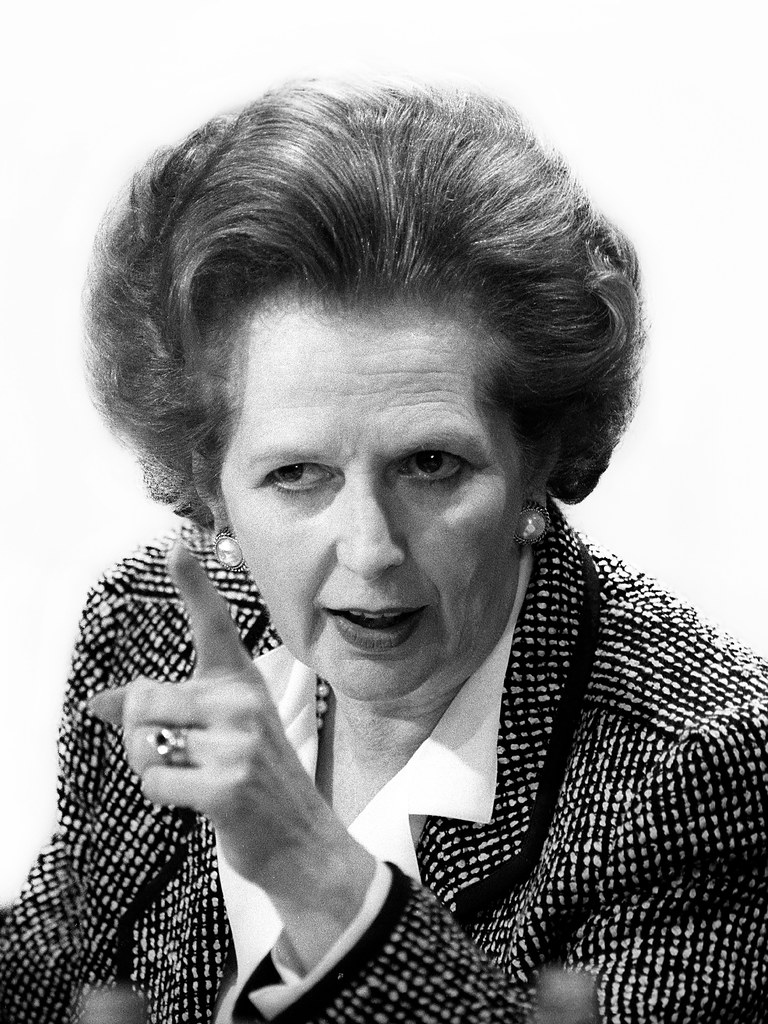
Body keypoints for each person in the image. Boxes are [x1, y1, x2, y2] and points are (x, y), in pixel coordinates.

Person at [0, 78, 766, 1024]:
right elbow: (56, 972)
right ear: (210, 484)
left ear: (538, 459)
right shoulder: (153, 635)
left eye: (432, 465)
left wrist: (316, 874)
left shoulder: (698, 768)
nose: (370, 550)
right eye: (296, 475)